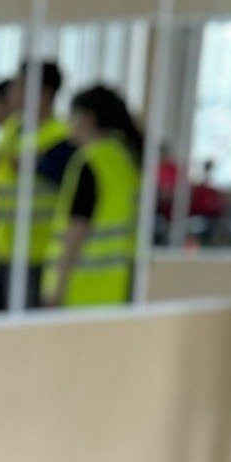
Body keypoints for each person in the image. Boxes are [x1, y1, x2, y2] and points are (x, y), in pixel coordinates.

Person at [0, 62, 73, 312]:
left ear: (44, 92)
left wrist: (34, 165)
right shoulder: (12, 131)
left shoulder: (62, 138)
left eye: (20, 86)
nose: (12, 92)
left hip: (35, 254)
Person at [46, 85, 143, 307]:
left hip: (84, 286)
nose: (68, 124)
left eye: (71, 116)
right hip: (118, 285)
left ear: (87, 119)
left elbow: (77, 228)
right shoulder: (126, 158)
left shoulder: (90, 161)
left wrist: (57, 288)